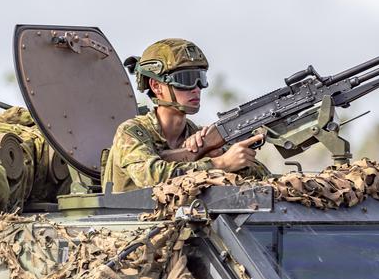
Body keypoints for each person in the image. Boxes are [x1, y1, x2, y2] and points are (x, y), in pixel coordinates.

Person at [102, 39, 269, 192]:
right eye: (186, 79)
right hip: (132, 220)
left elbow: (262, 176)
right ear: (157, 86)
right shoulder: (131, 132)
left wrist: (229, 156)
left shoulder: (200, 136)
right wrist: (221, 164)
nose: (196, 88)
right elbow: (152, 177)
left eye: (200, 79)